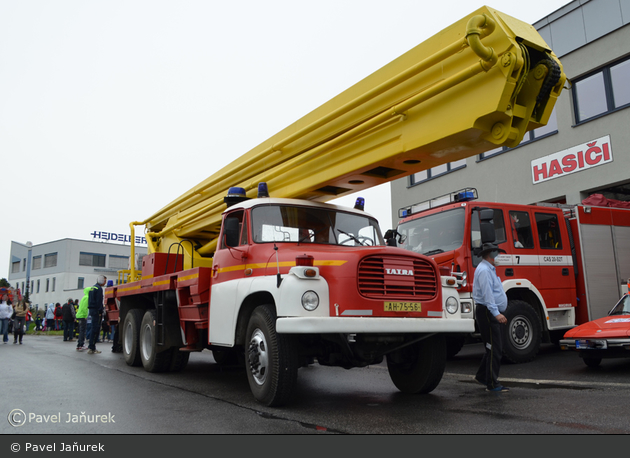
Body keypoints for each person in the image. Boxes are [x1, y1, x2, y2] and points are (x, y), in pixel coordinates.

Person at [473, 242, 509, 393]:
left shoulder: (489, 269)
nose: (498, 256)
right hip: (488, 313)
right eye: (496, 253)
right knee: (494, 348)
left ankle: (483, 376)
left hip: (488, 312)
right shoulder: (485, 271)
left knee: (491, 347)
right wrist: (496, 313)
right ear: (490, 254)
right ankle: (492, 384)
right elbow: (488, 295)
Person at [87, 275, 107, 355]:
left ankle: (91, 346)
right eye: (104, 280)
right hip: (96, 311)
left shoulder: (92, 288)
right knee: (96, 329)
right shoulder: (99, 289)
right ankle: (92, 347)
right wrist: (100, 311)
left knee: (93, 327)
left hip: (91, 310)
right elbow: (99, 301)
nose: (105, 282)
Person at [76, 286, 93, 351]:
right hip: (83, 316)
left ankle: (79, 344)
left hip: (80, 315)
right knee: (82, 331)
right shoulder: (87, 298)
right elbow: (85, 308)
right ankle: (81, 344)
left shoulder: (84, 297)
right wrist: (86, 316)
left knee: (81, 331)